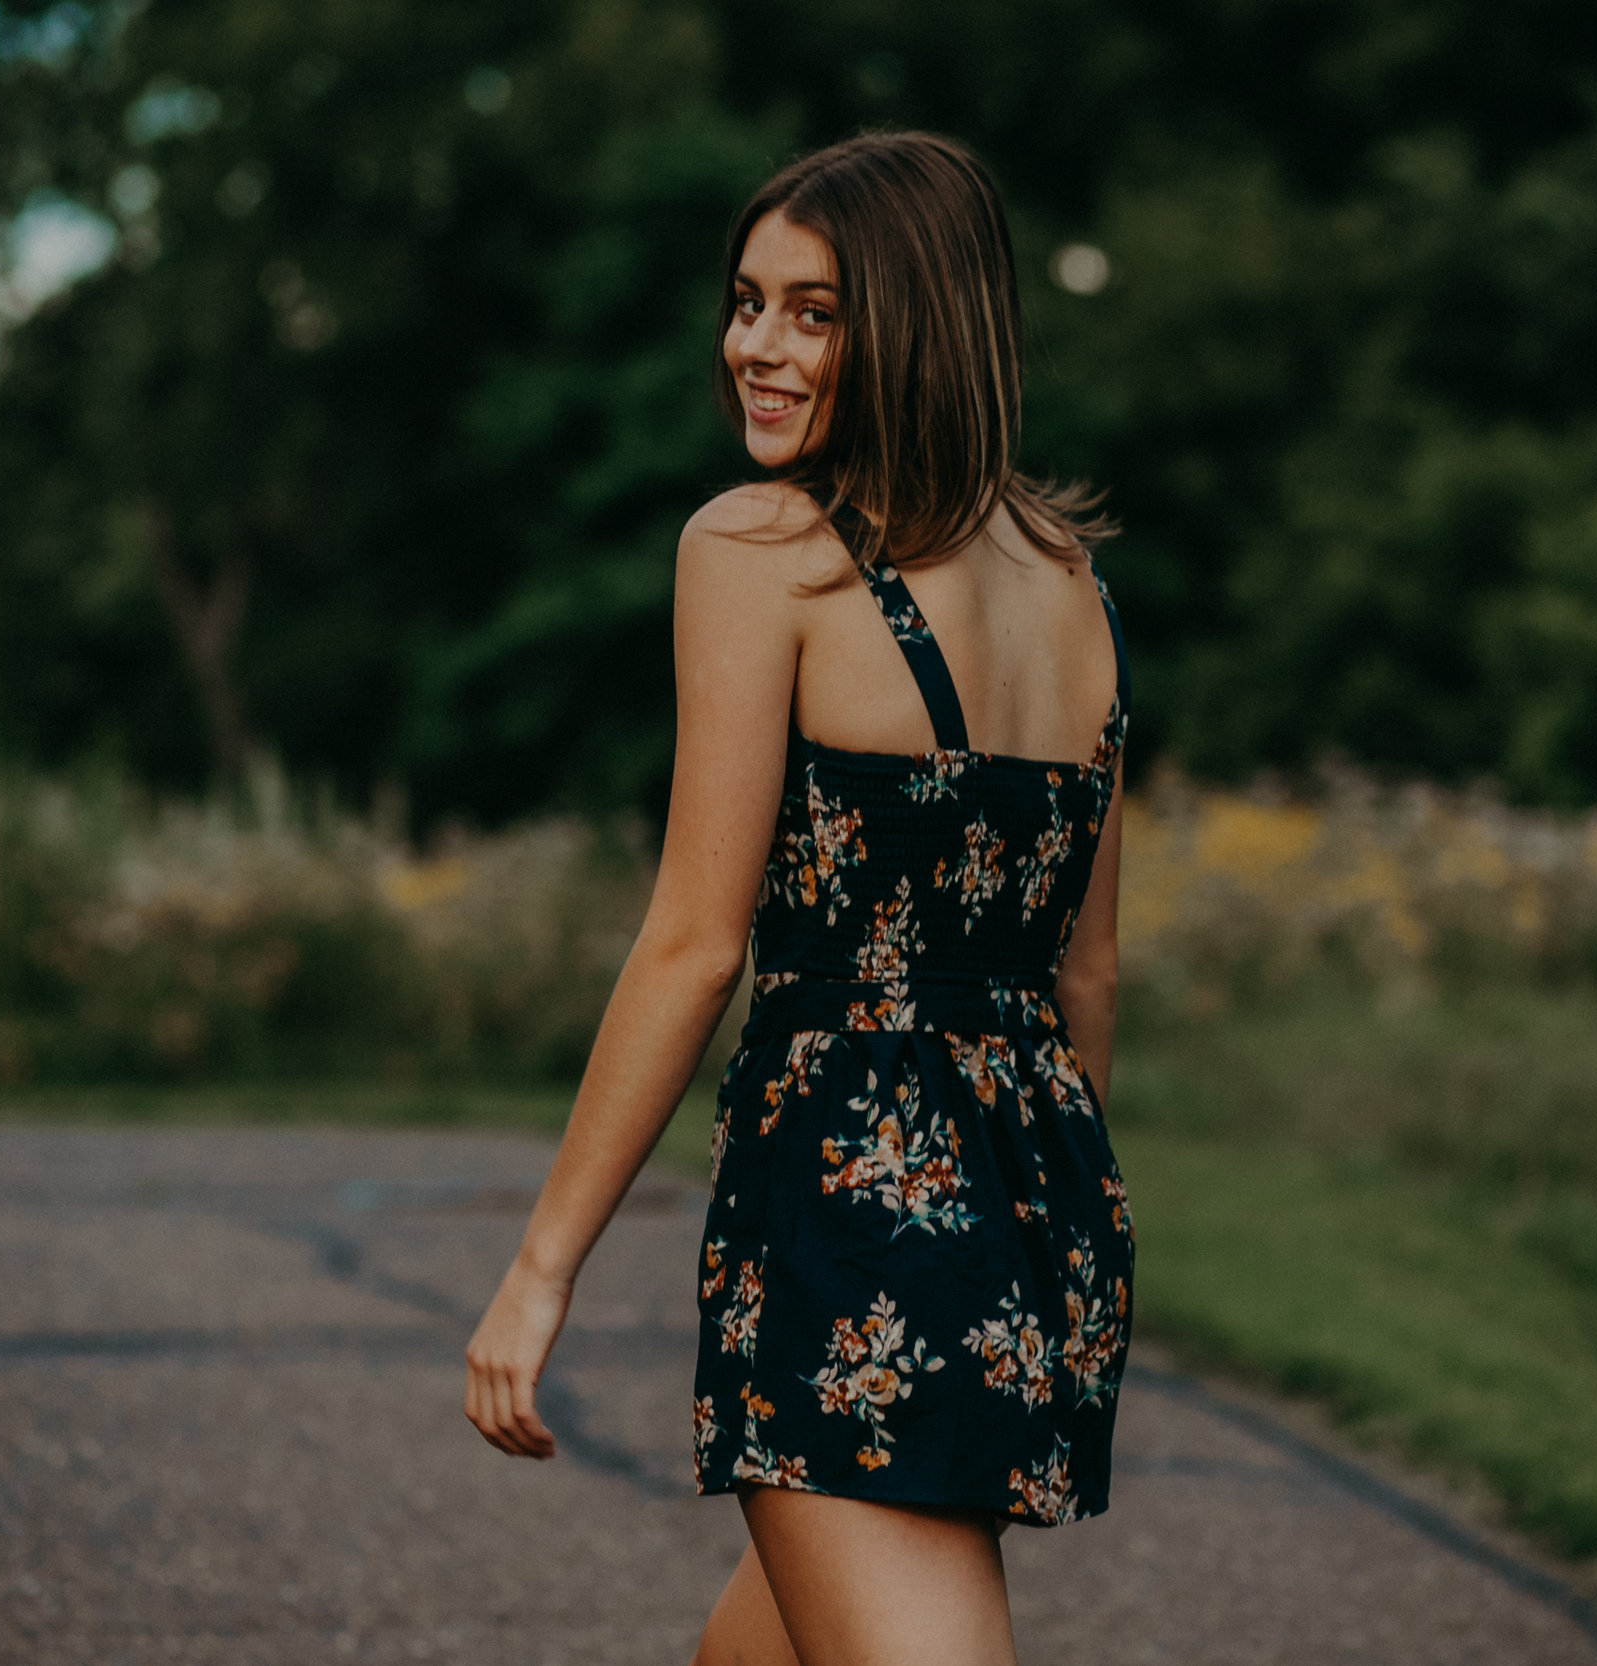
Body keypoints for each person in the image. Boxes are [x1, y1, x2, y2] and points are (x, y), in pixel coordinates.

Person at [464, 130, 1133, 1666]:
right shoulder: (1076, 581)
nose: (754, 346)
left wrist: (540, 1266)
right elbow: (1084, 976)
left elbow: (695, 947)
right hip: (1042, 1206)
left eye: (813, 311)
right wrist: (1056, 1247)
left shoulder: (762, 552)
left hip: (851, 1215)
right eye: (748, 300)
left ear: (913, 324)